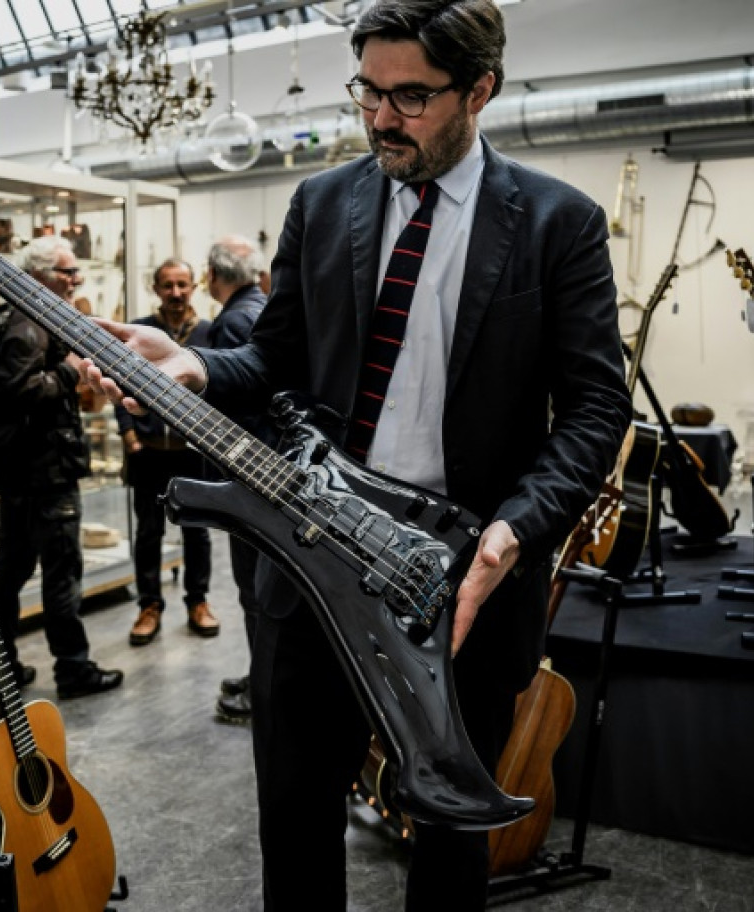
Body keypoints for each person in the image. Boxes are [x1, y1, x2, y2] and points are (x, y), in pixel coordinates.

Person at [81, 1, 632, 908]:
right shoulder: (324, 200)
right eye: (367, 93)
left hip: (465, 581)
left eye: (411, 97)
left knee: (452, 847)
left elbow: (595, 405)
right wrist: (196, 366)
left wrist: (513, 534)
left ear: (480, 90)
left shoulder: (554, 222)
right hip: (311, 564)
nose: (380, 119)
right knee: (295, 828)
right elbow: (276, 359)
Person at [0, 235, 123, 702]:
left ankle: (1, 672)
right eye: (68, 272)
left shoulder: (18, 316)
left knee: (10, 572)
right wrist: (69, 369)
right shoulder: (30, 322)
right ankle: (73, 670)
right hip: (44, 473)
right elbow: (14, 391)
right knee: (59, 573)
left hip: (24, 471)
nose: (77, 279)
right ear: (41, 275)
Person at [117, 259, 219, 647]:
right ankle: (149, 605)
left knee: (198, 530)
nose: (175, 293)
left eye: (182, 285)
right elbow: (116, 378)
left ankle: (198, 601)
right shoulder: (140, 330)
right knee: (148, 533)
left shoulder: (210, 332)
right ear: (156, 289)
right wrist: (129, 433)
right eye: (167, 286)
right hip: (148, 451)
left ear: (194, 287)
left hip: (194, 452)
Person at [202, 236, 269, 722]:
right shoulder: (263, 308)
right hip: (271, 473)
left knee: (253, 592)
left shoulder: (230, 323)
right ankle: (261, 674)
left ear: (214, 276)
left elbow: (230, 414)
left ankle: (264, 690)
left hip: (250, 479)